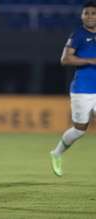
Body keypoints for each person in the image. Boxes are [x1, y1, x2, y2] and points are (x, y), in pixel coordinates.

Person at [50, 1, 96, 176]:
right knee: (79, 130)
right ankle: (56, 153)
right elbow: (65, 59)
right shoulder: (78, 34)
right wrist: (91, 61)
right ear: (82, 16)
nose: (90, 16)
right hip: (82, 89)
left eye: (93, 13)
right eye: (86, 13)